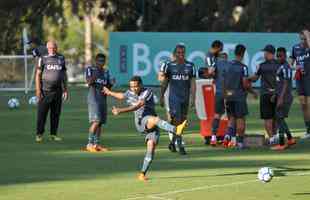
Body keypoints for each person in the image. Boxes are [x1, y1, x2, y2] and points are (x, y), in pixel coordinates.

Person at [102, 76, 187, 181]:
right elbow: (121, 96)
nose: (134, 88)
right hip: (141, 122)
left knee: (150, 149)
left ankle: (142, 174)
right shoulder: (130, 92)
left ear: (141, 85)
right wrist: (110, 92)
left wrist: (121, 110)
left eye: (136, 86)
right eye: (132, 86)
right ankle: (176, 130)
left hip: (152, 125)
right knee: (156, 119)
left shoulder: (147, 92)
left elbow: (139, 105)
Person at [158, 43, 196, 155]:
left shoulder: (190, 66)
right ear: (175, 54)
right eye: (178, 53)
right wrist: (161, 96)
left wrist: (193, 98)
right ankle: (180, 145)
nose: (180, 55)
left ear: (185, 53)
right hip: (174, 98)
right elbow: (164, 82)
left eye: (182, 53)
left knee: (182, 122)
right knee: (178, 120)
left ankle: (172, 142)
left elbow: (193, 83)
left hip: (185, 98)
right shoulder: (169, 66)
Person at [35, 40, 68, 142]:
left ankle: (53, 134)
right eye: (50, 48)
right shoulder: (42, 58)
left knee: (56, 114)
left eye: (54, 48)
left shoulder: (61, 58)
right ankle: (39, 134)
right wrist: (38, 90)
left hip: (57, 91)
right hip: (45, 91)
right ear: (47, 48)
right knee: (42, 114)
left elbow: (63, 75)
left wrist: (65, 89)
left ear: (56, 48)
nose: (52, 49)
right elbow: (38, 75)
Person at [224, 44, 256, 149]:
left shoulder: (227, 65)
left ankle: (229, 139)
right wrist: (253, 92)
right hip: (239, 97)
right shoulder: (243, 67)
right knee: (240, 119)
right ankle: (240, 143)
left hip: (228, 96)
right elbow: (245, 84)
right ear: (243, 53)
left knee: (231, 118)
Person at [248, 44, 279, 145]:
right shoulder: (280, 64)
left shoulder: (262, 66)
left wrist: (247, 78)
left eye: (264, 52)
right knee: (276, 117)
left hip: (266, 94)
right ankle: (275, 136)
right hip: (278, 93)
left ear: (268, 53)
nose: (264, 54)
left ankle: (271, 138)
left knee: (267, 118)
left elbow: (255, 78)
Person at [84, 53, 114, 152]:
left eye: (103, 61)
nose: (101, 63)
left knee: (100, 123)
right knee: (96, 121)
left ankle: (96, 144)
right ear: (95, 61)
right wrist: (96, 75)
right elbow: (88, 82)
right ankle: (89, 144)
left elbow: (107, 87)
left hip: (103, 99)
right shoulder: (90, 69)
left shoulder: (106, 72)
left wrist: (111, 83)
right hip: (93, 98)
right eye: (99, 61)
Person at [199, 40, 226, 146]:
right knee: (231, 114)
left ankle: (214, 136)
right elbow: (211, 71)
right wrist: (210, 75)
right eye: (221, 49)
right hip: (225, 90)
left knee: (217, 114)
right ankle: (230, 138)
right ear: (218, 47)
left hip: (218, 89)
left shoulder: (213, 57)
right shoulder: (211, 57)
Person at [271, 47, 296, 150]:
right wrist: (275, 94)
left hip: (285, 97)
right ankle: (290, 139)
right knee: (279, 118)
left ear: (285, 56)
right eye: (277, 56)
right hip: (281, 95)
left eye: (280, 56)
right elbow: (280, 83)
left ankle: (282, 143)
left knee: (279, 118)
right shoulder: (281, 66)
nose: (278, 57)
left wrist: (281, 98)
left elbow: (286, 83)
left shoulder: (286, 67)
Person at [291, 30, 310, 139]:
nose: (303, 41)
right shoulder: (296, 48)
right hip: (300, 79)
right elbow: (291, 62)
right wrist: (295, 67)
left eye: (305, 39)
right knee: (303, 104)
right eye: (301, 39)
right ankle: (308, 130)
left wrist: (308, 37)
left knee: (309, 104)